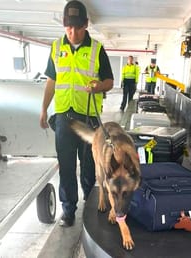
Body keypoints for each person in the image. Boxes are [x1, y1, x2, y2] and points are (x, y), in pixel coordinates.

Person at [39, 0, 114, 227]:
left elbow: (110, 81)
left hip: (89, 118)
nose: (73, 32)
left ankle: (91, 209)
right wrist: (44, 109)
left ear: (86, 24)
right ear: (64, 25)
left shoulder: (97, 49)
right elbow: (52, 81)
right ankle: (68, 211)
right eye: (69, 27)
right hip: (63, 117)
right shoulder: (56, 47)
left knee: (90, 168)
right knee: (67, 167)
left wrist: (98, 86)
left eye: (78, 27)